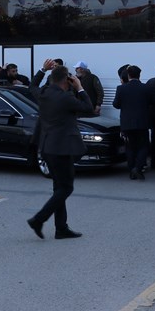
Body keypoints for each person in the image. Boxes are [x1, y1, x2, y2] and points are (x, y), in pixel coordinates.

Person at [26, 60, 93, 240]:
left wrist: (42, 69)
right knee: (66, 188)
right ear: (66, 80)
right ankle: (38, 219)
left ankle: (61, 228)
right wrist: (79, 88)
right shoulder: (65, 98)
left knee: (59, 188)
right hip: (62, 148)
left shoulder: (45, 93)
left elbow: (32, 86)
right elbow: (88, 108)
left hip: (47, 147)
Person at [113, 65, 152, 180]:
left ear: (128, 75)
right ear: (139, 75)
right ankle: (138, 168)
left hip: (127, 123)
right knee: (143, 146)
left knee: (129, 147)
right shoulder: (145, 88)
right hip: (142, 122)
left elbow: (116, 104)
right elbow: (151, 102)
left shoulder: (121, 88)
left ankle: (131, 170)